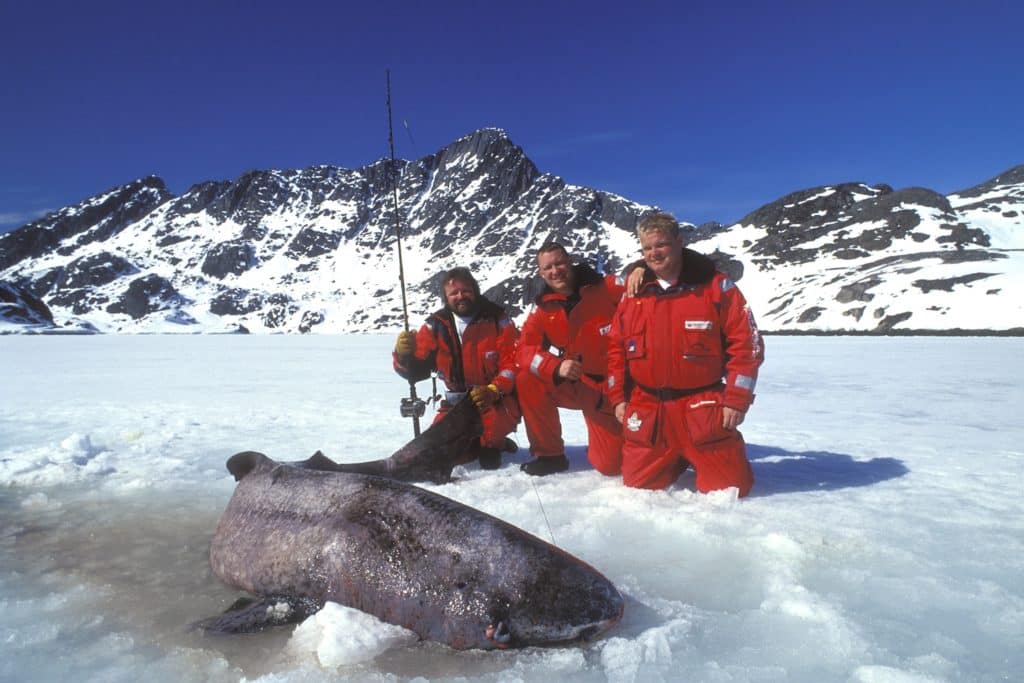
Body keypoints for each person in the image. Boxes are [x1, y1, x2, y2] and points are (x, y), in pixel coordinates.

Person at [607, 212, 764, 496]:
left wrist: (737, 400)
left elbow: (747, 345)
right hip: (648, 408)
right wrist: (618, 397)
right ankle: (675, 458)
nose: (654, 253)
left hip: (701, 406)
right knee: (637, 486)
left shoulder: (716, 287)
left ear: (679, 242)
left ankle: (693, 454)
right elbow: (616, 350)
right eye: (647, 248)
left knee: (731, 490)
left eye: (661, 245)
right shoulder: (634, 294)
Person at [516, 242, 626, 476]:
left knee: (610, 465)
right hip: (579, 385)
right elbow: (524, 349)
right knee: (527, 379)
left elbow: (646, 289)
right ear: (541, 273)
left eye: (559, 263)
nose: (555, 271)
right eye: (548, 268)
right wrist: (554, 366)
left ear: (570, 262)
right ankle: (549, 455)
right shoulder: (544, 309)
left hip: (613, 389)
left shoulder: (606, 288)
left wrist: (639, 269)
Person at [393, 267, 520, 469]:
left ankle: (493, 444)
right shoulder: (435, 325)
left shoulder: (498, 319)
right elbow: (414, 371)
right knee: (441, 453)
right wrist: (402, 354)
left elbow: (513, 362)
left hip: (495, 402)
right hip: (455, 406)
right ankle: (476, 445)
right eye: (454, 293)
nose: (460, 296)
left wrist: (495, 389)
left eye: (466, 290)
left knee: (490, 451)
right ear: (446, 297)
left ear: (475, 290)